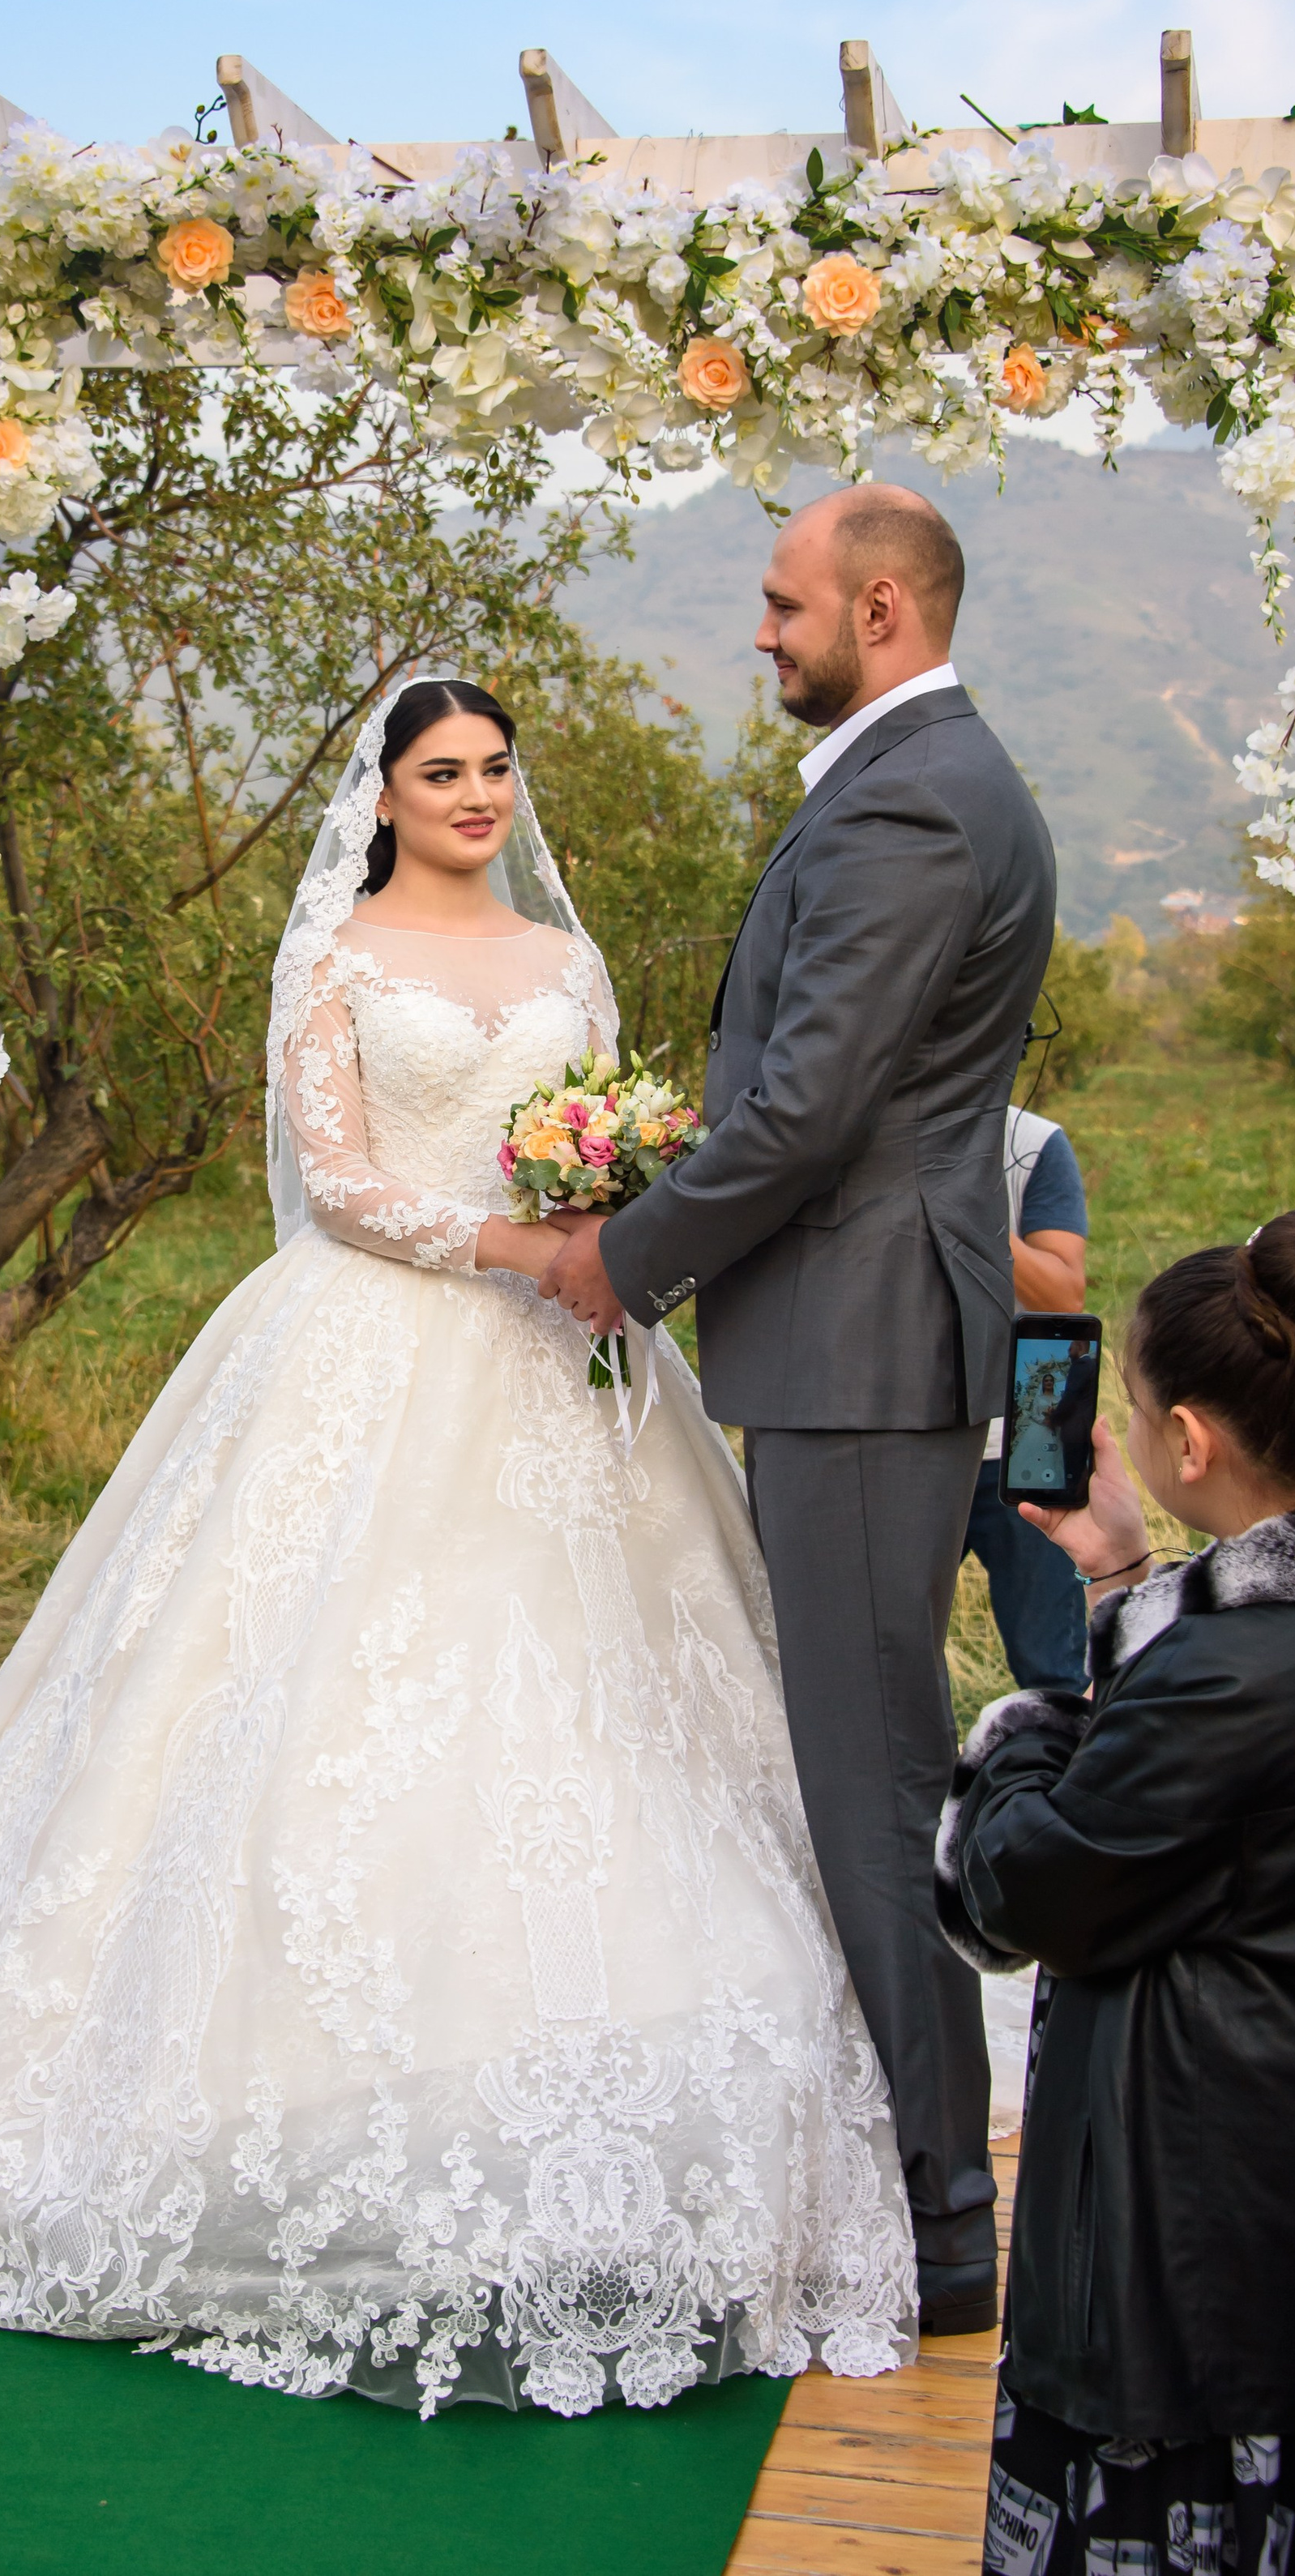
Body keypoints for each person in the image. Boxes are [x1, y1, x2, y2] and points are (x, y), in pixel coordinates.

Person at [0, 672, 917, 2418]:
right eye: (440, 771)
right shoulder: (337, 955)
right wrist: (514, 1250)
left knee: (610, 1702)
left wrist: (598, 1224)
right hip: (372, 1347)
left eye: (492, 769)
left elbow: (597, 1132)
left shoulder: (560, 962)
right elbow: (339, 1181)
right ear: (380, 796)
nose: (473, 793)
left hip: (570, 1363)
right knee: (291, 1701)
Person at [545, 485, 1057, 2337]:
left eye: (779, 604)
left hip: (857, 1341)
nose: (757, 632)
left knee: (870, 1774)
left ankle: (937, 2209)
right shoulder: (909, 771)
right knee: (864, 1750)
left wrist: (629, 1251)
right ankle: (911, 2162)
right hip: (854, 1332)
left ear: (882, 600)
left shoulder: (916, 793)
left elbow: (810, 1104)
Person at [936, 1207, 1295, 2572]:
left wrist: (1014, 1742)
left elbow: (1026, 1892)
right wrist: (1122, 1572)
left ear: (1190, 1443)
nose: (1126, 1433)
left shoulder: (1217, 1685)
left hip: (1204, 2211)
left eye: (1135, 1409)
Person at [962, 1106, 1091, 1692]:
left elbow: (1064, 1292)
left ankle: (1063, 1773)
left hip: (1033, 1410)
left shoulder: (1034, 1141)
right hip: (908, 1426)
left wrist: (971, 1210)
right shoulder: (860, 1118)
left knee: (1051, 1663)